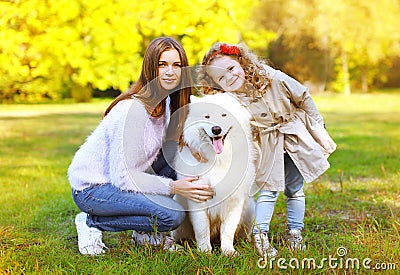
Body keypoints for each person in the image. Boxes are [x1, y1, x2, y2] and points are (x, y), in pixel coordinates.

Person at [68, 37, 215, 256]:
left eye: (176, 65)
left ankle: (144, 232)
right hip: (94, 188)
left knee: (174, 155)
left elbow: (199, 116)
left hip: (125, 177)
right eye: (162, 64)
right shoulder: (132, 111)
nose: (170, 72)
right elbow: (123, 177)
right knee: (171, 215)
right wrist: (175, 187)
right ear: (149, 68)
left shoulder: (167, 102)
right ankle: (91, 221)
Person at [197, 42, 336, 257]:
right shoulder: (231, 100)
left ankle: (295, 232)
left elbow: (303, 96)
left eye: (231, 69)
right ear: (218, 85)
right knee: (269, 188)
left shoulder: (273, 77)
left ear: (241, 61)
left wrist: (317, 124)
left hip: (294, 135)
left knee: (294, 188)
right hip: (268, 142)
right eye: (221, 78)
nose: (230, 78)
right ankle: (260, 235)